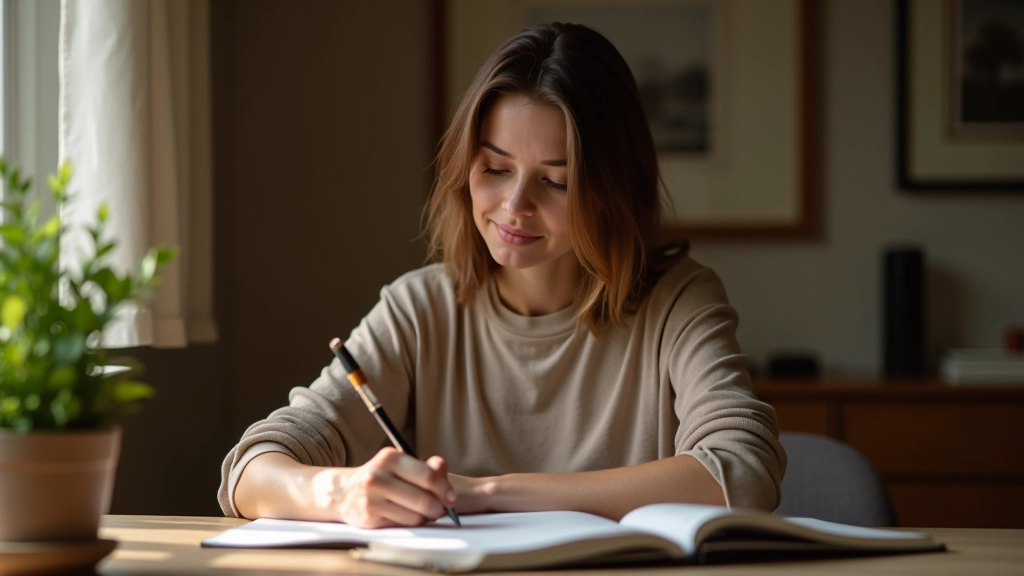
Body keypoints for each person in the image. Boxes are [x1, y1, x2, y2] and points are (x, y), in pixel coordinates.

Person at [219, 22, 786, 529]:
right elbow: (251, 469)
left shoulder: (678, 301)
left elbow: (741, 473)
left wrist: (487, 494)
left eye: (556, 182)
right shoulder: (419, 309)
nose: (514, 206)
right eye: (494, 168)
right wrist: (339, 491)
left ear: (615, 189)